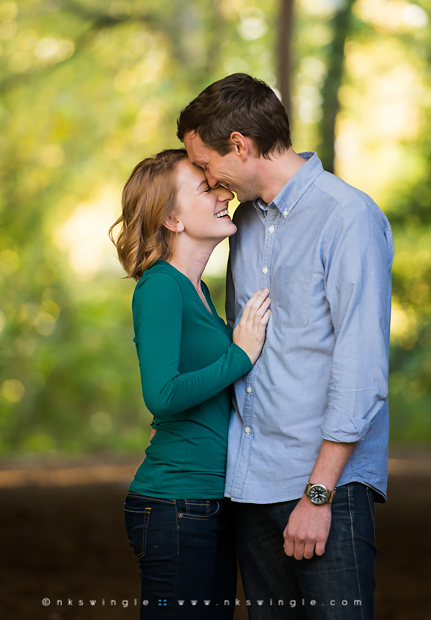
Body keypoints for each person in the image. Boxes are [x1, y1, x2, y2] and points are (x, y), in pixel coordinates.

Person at [177, 73, 394, 620]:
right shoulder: (243, 222)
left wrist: (318, 495)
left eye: (206, 165)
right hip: (252, 486)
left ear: (240, 145)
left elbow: (361, 367)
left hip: (325, 489)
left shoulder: (347, 216)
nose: (211, 182)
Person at [109, 148, 271, 619]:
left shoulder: (197, 289)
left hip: (205, 502)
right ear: (172, 220)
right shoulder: (160, 286)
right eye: (206, 188)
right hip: (175, 504)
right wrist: (239, 355)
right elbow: (162, 394)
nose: (223, 193)